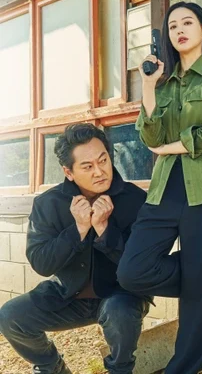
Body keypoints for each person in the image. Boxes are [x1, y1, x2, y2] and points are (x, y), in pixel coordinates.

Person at [115, 1, 202, 374]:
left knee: (201, 291)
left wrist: (169, 147)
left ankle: (183, 369)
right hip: (166, 190)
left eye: (187, 23)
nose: (179, 30)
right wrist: (148, 84)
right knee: (132, 271)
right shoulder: (165, 84)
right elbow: (150, 135)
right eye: (172, 26)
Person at [0, 124, 148, 374]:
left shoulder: (135, 199)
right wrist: (77, 229)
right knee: (10, 316)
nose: (100, 172)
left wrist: (104, 230)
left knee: (119, 311)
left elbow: (141, 265)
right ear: (68, 172)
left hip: (120, 294)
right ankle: (52, 368)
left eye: (103, 160)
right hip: (66, 294)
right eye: (87, 166)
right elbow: (41, 263)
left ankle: (120, 369)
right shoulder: (48, 203)